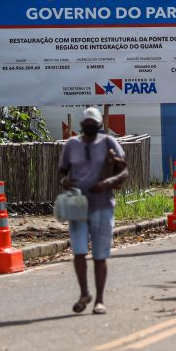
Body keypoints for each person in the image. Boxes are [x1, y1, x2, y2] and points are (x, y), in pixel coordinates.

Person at [59, 107, 128, 315]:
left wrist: (108, 182)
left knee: (100, 255)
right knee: (79, 252)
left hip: (103, 205)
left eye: (93, 125)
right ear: (82, 126)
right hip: (78, 206)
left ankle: (99, 300)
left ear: (99, 125)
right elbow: (62, 171)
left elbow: (124, 170)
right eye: (86, 125)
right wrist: (65, 181)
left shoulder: (108, 142)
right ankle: (84, 293)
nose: (90, 128)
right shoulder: (71, 145)